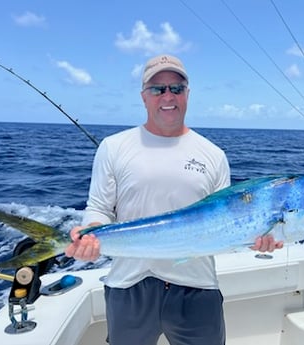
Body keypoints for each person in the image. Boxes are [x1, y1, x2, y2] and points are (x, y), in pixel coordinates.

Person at [65, 54, 283, 345]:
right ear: (144, 97)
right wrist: (90, 233)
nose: (168, 96)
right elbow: (100, 208)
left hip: (197, 286)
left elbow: (227, 223)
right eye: (157, 89)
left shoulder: (214, 155)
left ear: (187, 94)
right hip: (129, 284)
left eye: (176, 88)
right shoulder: (113, 147)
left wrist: (258, 237)